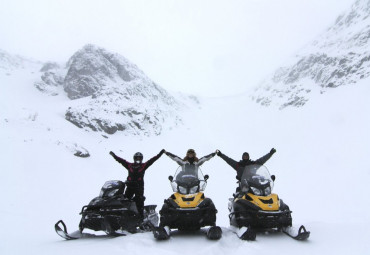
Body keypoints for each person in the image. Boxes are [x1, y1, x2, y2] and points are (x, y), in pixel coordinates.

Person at [109, 149, 165, 220]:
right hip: (130, 186)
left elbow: (152, 160)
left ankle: (141, 219)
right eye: (137, 158)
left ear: (141, 159)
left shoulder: (143, 166)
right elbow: (121, 161)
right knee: (125, 201)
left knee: (139, 202)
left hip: (139, 187)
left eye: (139, 158)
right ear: (134, 158)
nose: (138, 159)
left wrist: (160, 154)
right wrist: (114, 156)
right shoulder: (130, 165)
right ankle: (125, 217)